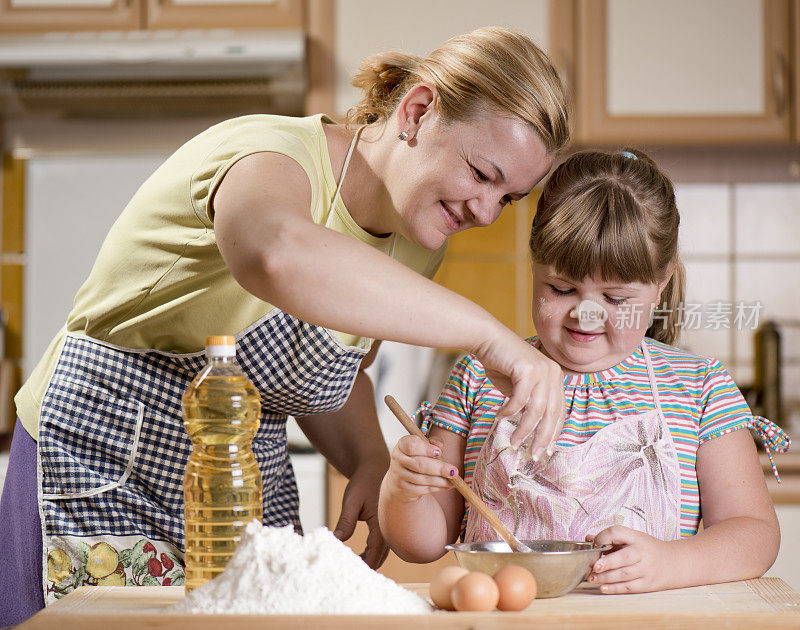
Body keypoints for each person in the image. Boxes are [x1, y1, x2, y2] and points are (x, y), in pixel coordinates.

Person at [0, 27, 571, 625]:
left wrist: (370, 461)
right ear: (418, 110)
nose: (485, 213)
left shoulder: (416, 237)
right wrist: (490, 336)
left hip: (242, 492)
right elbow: (276, 253)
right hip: (108, 469)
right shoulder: (271, 154)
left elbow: (326, 371)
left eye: (507, 198)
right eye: (482, 175)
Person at [378, 148, 791, 594]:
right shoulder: (479, 379)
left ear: (661, 284)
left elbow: (754, 534)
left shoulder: (699, 387)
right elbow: (422, 544)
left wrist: (673, 562)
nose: (587, 315)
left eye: (615, 299)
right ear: (533, 267)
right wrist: (403, 491)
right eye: (561, 288)